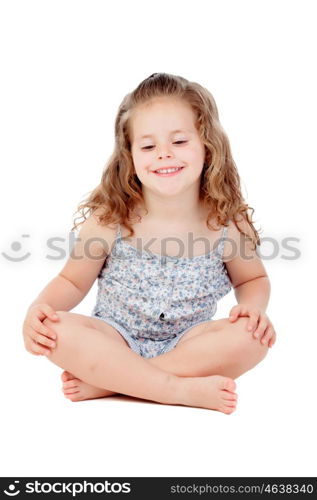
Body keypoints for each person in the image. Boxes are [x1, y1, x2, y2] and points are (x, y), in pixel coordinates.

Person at [22, 72, 276, 414]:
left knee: (251, 338)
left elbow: (252, 279)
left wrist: (254, 309)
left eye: (179, 141)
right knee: (56, 329)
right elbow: (71, 280)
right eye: (148, 146)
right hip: (114, 337)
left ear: (207, 145)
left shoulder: (227, 220)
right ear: (130, 155)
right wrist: (38, 310)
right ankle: (173, 389)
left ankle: (113, 382)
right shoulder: (110, 217)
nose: (164, 155)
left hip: (190, 343)